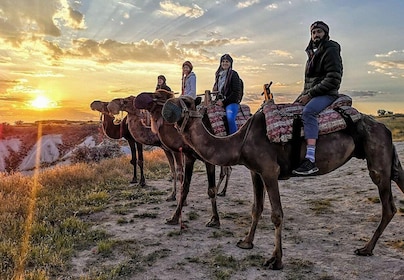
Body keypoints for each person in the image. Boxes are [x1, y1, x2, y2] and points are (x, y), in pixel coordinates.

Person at [292, 21, 343, 176]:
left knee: (308, 113)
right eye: (313, 32)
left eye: (319, 32)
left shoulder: (330, 49)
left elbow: (333, 78)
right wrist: (302, 95)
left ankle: (311, 159)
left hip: (327, 93)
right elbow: (310, 82)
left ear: (325, 33)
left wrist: (310, 95)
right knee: (291, 110)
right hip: (313, 92)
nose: (316, 35)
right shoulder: (313, 54)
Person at [212, 53, 242, 135]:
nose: (225, 63)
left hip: (231, 102)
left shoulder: (233, 74)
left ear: (230, 63)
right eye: (223, 61)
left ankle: (234, 139)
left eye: (227, 61)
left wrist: (224, 102)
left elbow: (236, 93)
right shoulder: (218, 76)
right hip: (219, 101)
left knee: (230, 118)